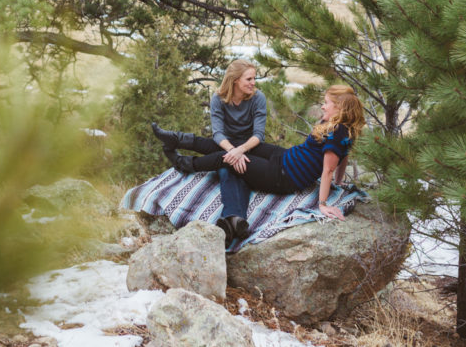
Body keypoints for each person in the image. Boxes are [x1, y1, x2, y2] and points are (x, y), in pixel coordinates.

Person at [153, 82, 365, 241]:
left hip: (282, 177)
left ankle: (185, 164)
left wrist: (322, 204)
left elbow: (328, 168)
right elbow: (343, 158)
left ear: (340, 108)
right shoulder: (340, 128)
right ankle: (178, 139)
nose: (323, 106)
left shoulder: (338, 132)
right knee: (238, 143)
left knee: (231, 160)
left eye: (327, 103)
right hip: (284, 158)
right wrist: (339, 181)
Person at [152, 59, 267, 244]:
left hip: (249, 147)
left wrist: (240, 151)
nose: (253, 83)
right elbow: (218, 133)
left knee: (227, 167)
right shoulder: (218, 99)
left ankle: (181, 150)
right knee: (226, 162)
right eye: (249, 79)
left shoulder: (257, 98)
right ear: (235, 80)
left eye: (254, 78)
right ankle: (236, 221)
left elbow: (259, 135)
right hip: (225, 145)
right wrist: (232, 151)